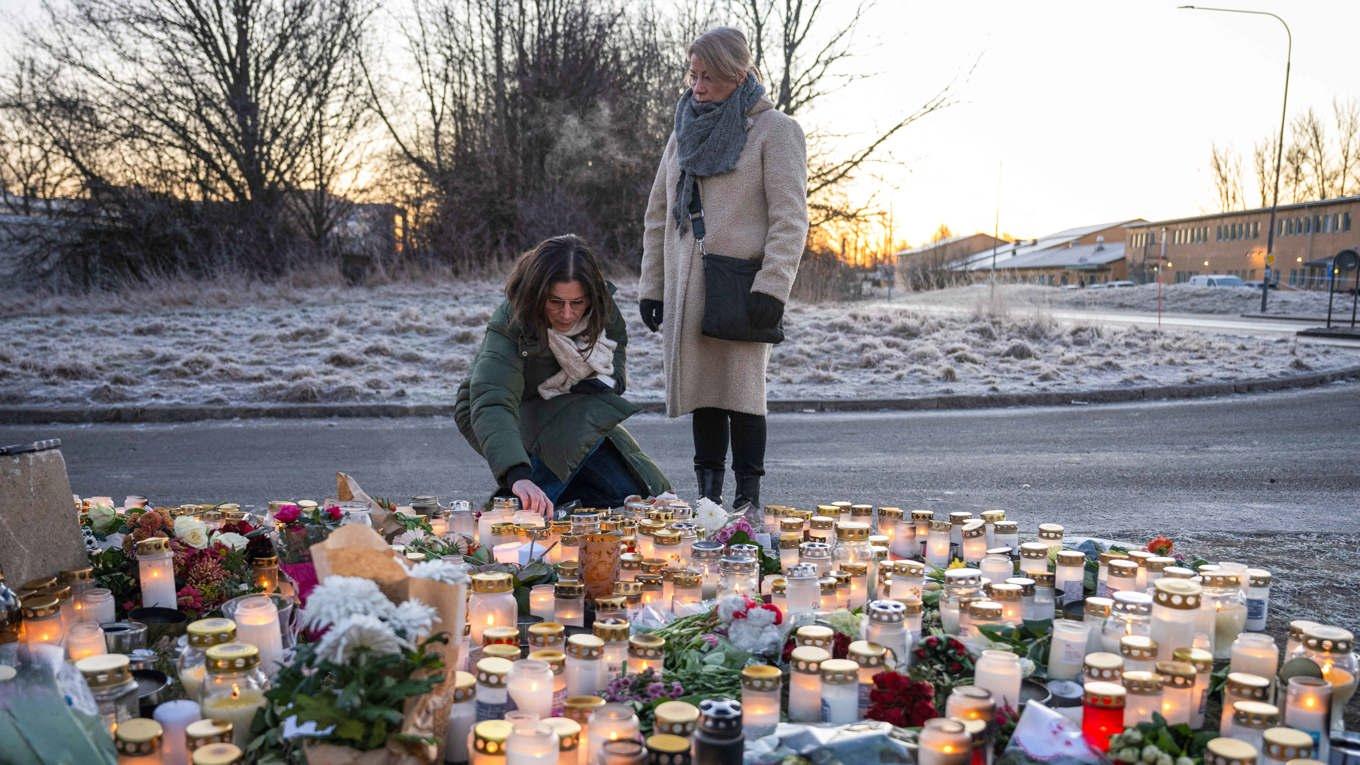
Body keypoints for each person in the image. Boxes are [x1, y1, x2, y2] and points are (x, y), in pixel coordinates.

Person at [638, 26, 808, 511]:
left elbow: (790, 218)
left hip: (739, 286)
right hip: (687, 285)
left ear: (737, 75)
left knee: (742, 395)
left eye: (709, 76)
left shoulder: (776, 130)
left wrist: (773, 286)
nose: (698, 86)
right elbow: (658, 213)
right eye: (693, 75)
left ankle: (747, 500)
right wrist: (654, 285)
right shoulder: (683, 129)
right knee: (703, 393)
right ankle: (708, 500)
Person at [455, 234, 670, 515]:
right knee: (576, 433)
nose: (567, 314)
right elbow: (492, 399)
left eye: (577, 303)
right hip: (495, 408)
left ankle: (562, 506)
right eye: (555, 302)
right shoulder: (512, 319)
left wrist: (606, 381)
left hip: (572, 410)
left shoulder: (602, 308)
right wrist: (518, 476)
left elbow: (616, 356)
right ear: (536, 293)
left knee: (635, 498)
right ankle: (510, 517)